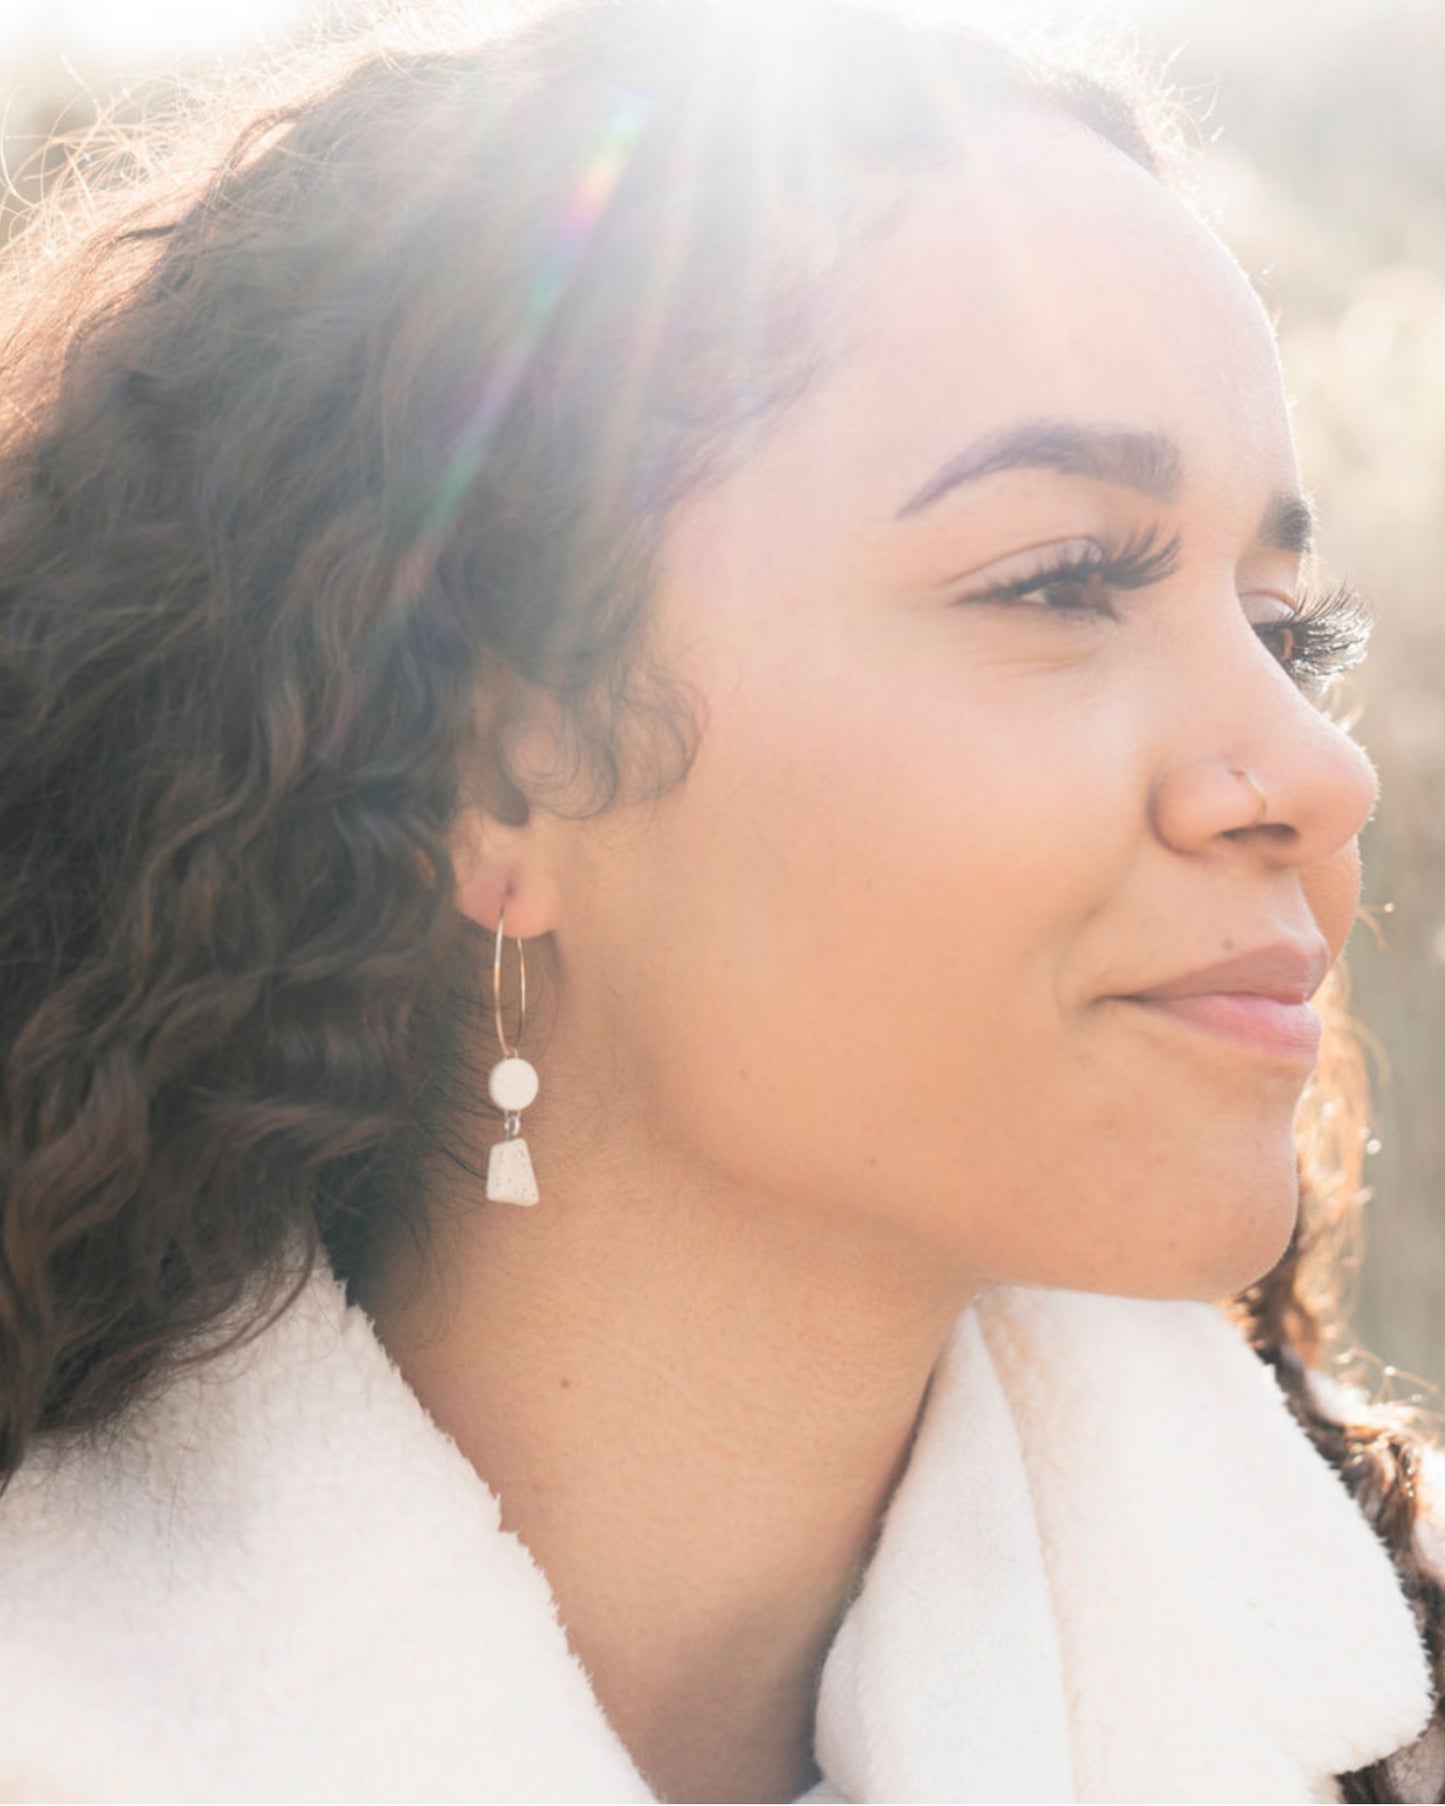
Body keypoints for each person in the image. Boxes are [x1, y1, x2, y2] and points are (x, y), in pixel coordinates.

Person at [1, 0, 1443, 1799]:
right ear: (504, 776)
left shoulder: (1386, 1702)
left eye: (1282, 627)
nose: (1318, 772)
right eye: (1062, 581)